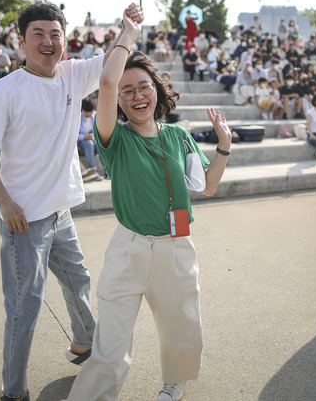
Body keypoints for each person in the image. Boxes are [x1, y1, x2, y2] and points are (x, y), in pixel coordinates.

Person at [0, 1, 139, 401]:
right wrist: (6, 203)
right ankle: (13, 392)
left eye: (55, 34)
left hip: (60, 210)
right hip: (23, 220)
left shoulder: (72, 75)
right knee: (24, 308)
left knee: (78, 279)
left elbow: (112, 63)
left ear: (65, 39)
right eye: (38, 34)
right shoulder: (4, 90)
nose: (48, 42)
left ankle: (85, 344)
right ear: (22, 39)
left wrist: (128, 29)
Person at [68, 20, 232, 401]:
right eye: (128, 91)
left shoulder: (179, 136)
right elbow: (105, 83)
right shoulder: (115, 138)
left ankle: (174, 381)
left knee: (181, 326)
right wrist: (128, 33)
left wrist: (224, 147)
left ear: (157, 91)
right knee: (110, 344)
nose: (137, 95)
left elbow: (206, 186)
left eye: (144, 87)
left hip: (175, 247)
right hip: (128, 248)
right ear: (119, 101)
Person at [78, 99, 103, 182]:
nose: (88, 114)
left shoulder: (97, 116)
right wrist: (85, 137)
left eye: (90, 112)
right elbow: (74, 135)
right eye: (86, 112)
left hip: (95, 143)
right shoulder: (78, 118)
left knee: (99, 144)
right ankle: (93, 170)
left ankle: (107, 170)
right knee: (89, 144)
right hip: (82, 146)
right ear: (82, 110)